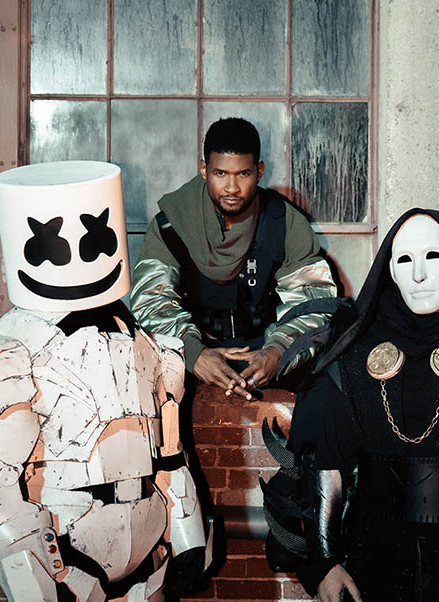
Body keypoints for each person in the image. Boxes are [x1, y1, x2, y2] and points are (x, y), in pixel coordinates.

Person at [0, 161, 212, 602]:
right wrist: (31, 592)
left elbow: (168, 452)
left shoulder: (142, 342)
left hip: (148, 554)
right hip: (63, 559)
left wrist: (188, 536)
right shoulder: (8, 349)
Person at [267, 209, 439, 602]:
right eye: (404, 260)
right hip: (376, 557)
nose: (418, 275)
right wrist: (324, 562)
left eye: (433, 257)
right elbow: (327, 461)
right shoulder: (355, 351)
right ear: (389, 270)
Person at [130, 117, 340, 400]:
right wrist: (194, 355)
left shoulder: (283, 222)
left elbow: (313, 303)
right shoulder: (172, 224)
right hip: (189, 348)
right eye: (220, 173)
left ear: (259, 171)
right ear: (204, 170)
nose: (231, 188)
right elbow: (151, 302)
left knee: (329, 388)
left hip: (266, 348)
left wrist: (278, 351)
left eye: (243, 174)